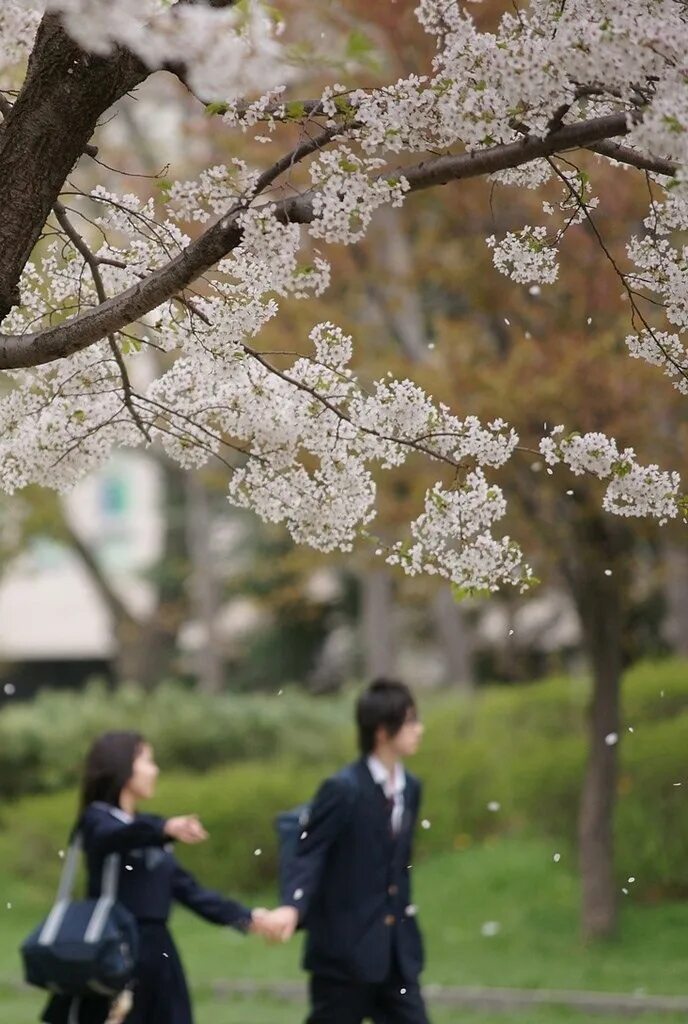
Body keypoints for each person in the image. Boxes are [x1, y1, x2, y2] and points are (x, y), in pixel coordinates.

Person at [41, 730, 279, 1024]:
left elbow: (190, 891)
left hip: (157, 952)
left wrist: (249, 917)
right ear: (123, 766)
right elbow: (115, 836)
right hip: (114, 950)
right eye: (148, 760)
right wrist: (164, 828)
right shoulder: (97, 820)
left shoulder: (148, 829)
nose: (155, 770)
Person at [269, 678, 430, 1024]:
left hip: (396, 954)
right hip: (344, 957)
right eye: (411, 721)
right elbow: (308, 851)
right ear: (383, 731)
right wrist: (293, 906)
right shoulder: (343, 790)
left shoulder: (411, 788)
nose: (420, 729)